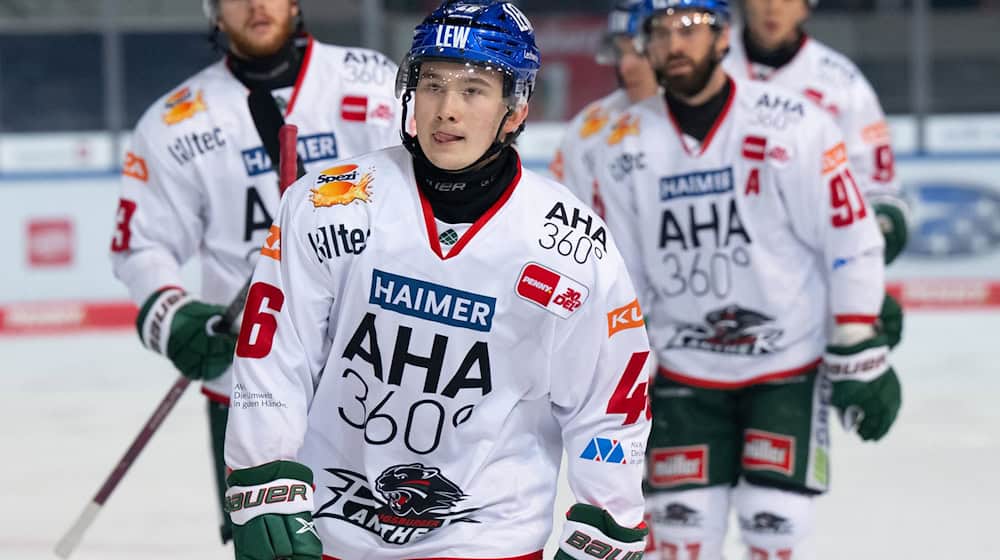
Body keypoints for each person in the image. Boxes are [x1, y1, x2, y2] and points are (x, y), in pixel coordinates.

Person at [222, 1, 652, 559]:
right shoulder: (332, 202)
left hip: (488, 534)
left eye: (473, 90)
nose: (447, 109)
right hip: (332, 525)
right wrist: (262, 475)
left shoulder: (568, 244)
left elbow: (608, 397)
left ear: (515, 109)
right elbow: (277, 350)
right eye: (432, 85)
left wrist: (607, 522)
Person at [596, 0, 901, 558]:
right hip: (683, 372)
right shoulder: (620, 146)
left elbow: (850, 238)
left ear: (722, 36)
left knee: (774, 522)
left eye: (689, 27)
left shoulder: (795, 123)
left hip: (788, 365)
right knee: (679, 532)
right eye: (659, 31)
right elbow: (620, 280)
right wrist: (617, 376)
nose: (674, 44)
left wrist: (860, 341)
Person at [109, 0, 400, 544]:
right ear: (214, 13)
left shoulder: (374, 83)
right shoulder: (177, 120)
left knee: (395, 541)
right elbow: (140, 243)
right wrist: (172, 315)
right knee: (273, 546)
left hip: (380, 370)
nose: (253, 5)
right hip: (249, 381)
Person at [723, 0, 907, 347]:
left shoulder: (842, 83)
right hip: (715, 264)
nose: (772, 8)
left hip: (808, 283)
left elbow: (878, 185)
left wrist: (873, 233)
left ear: (808, 6)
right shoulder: (703, 64)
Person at [549, 0, 659, 216]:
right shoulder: (589, 127)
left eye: (639, 52)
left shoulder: (721, 111)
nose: (625, 66)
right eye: (620, 52)